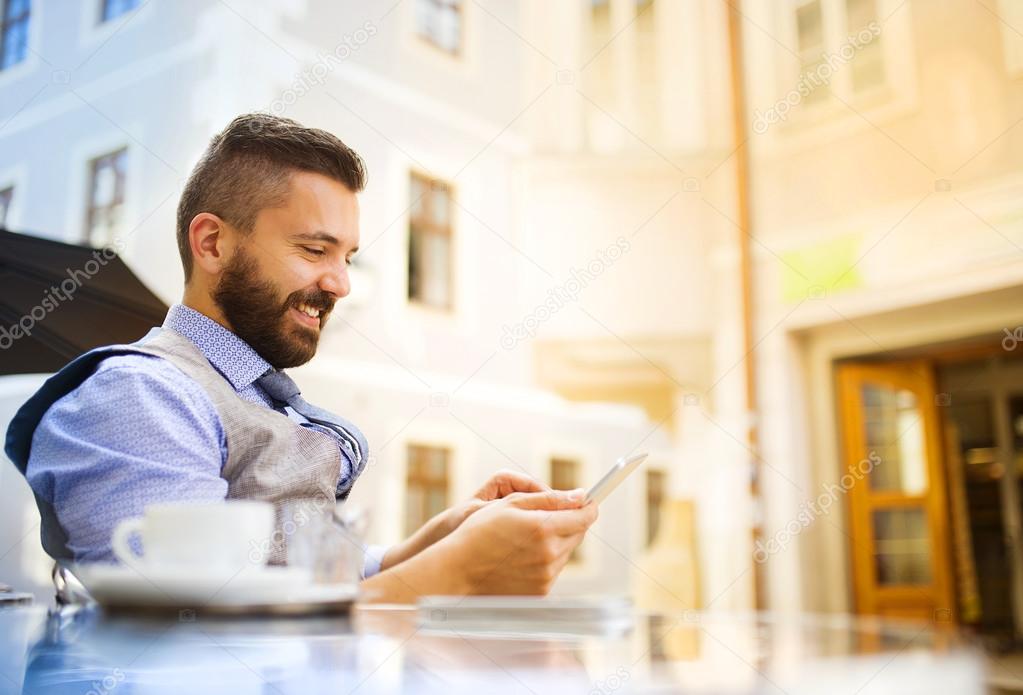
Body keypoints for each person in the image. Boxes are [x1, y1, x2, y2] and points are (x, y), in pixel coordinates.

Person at [4, 113, 597, 601]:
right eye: (315, 249)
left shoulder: (244, 393)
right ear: (212, 243)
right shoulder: (139, 397)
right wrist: (458, 572)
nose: (340, 283)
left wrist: (430, 544)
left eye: (347, 257)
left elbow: (281, 578)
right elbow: (192, 634)